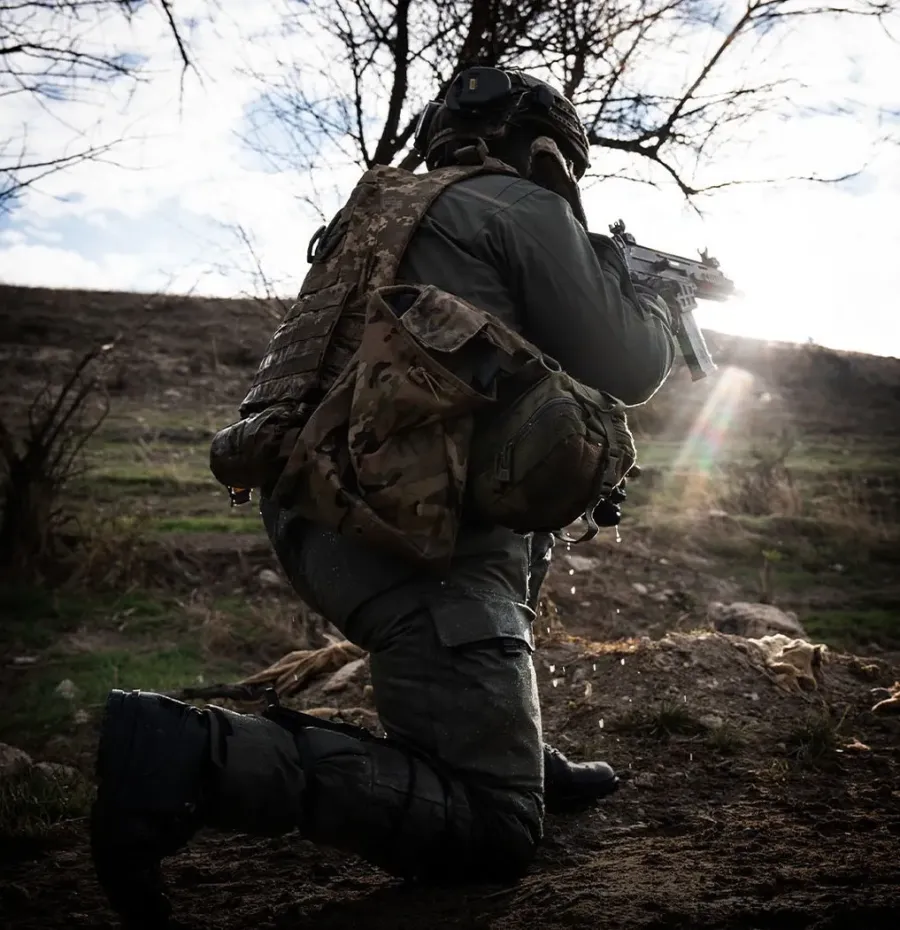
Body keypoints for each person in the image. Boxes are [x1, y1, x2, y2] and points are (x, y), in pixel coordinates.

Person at [91, 67, 676, 927]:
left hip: (313, 506)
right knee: (495, 829)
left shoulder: (370, 214)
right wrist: (653, 298)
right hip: (414, 532)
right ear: (549, 148)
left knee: (515, 521)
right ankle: (192, 757)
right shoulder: (523, 206)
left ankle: (512, 739)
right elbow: (630, 368)